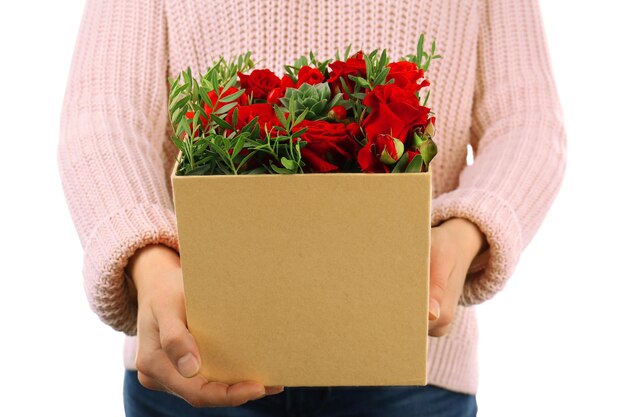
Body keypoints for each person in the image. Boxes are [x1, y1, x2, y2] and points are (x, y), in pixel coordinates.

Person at [57, 0, 566, 416]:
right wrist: (147, 258)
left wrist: (466, 229)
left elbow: (527, 122)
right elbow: (103, 114)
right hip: (195, 351)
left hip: (412, 377)